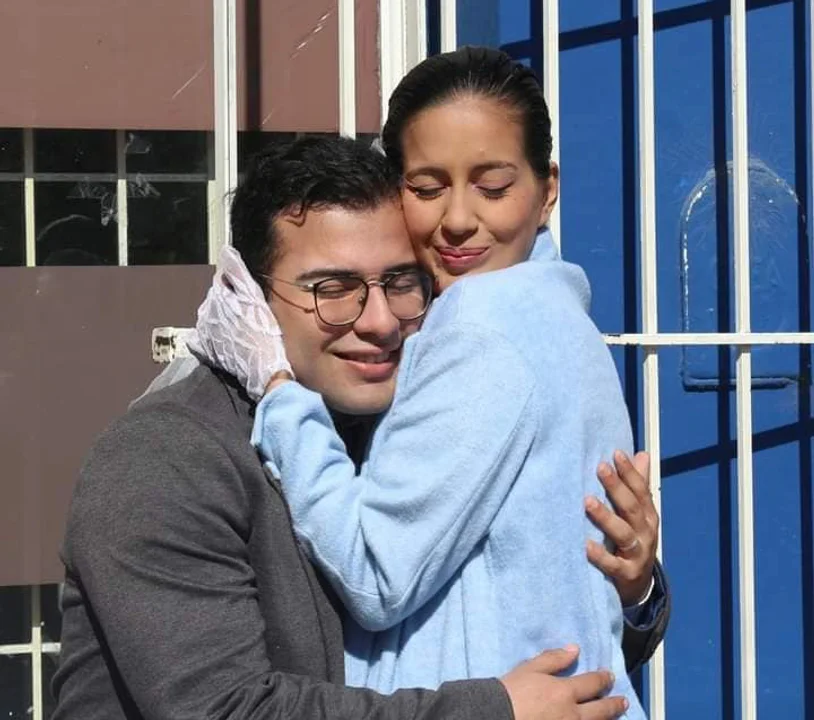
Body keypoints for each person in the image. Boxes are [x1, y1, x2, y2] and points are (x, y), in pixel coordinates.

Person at [52, 135, 634, 720]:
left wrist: (633, 588)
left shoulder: (401, 424)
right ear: (251, 294)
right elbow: (227, 709)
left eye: (401, 282)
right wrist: (490, 712)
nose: (380, 322)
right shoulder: (165, 457)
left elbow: (533, 649)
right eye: (333, 290)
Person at [192, 48, 660, 714]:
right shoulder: (562, 316)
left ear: (547, 190)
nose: (459, 219)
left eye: (492, 187)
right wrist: (640, 586)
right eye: (428, 187)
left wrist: (276, 387)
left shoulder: (484, 322)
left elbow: (376, 573)